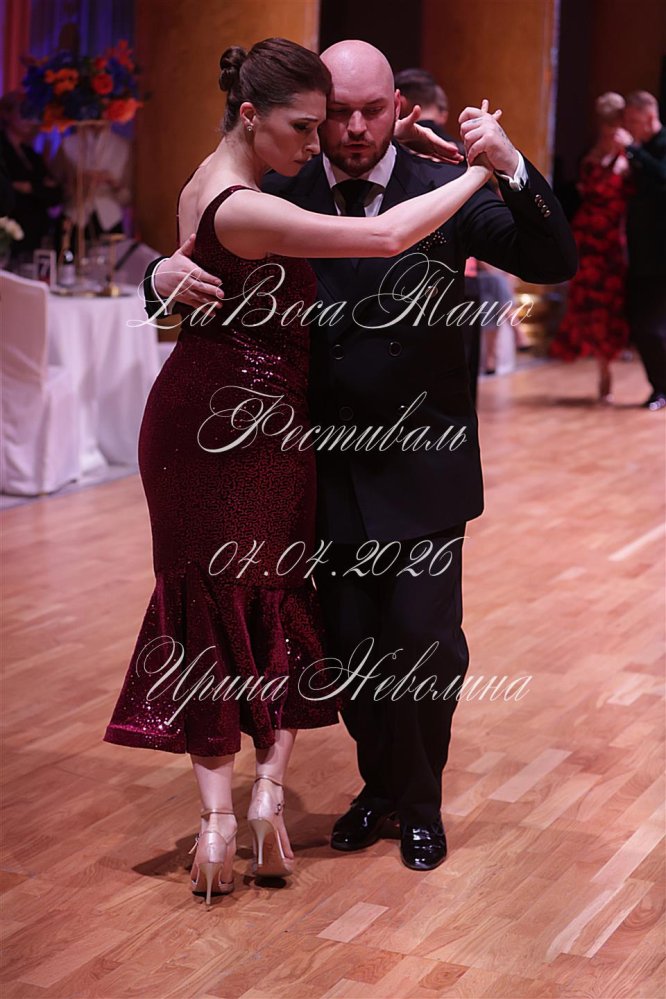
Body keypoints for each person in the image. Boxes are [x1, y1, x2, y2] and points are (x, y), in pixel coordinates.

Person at [146, 38, 576, 876]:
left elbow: (552, 259)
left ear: (398, 108)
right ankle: (378, 786)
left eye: (370, 111)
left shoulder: (434, 184)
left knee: (422, 643)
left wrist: (507, 163)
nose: (349, 129)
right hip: (311, 463)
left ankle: (419, 800)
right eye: (334, 113)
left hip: (419, 459)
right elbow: (206, 259)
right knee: (342, 649)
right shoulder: (280, 181)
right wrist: (158, 277)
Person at [549, 92, 634, 402]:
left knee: (609, 304)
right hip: (587, 237)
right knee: (586, 301)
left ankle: (605, 367)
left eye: (614, 121)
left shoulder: (628, 154)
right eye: (605, 122)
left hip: (611, 240)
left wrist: (628, 154)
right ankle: (600, 363)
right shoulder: (594, 153)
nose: (609, 128)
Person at [622, 90, 666, 411]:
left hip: (662, 254)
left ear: (649, 117)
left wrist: (633, 151)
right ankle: (659, 388)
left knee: (653, 327)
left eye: (634, 121)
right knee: (641, 326)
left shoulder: (658, 147)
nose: (630, 128)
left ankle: (661, 389)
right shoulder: (639, 151)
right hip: (640, 253)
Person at [0, 90, 62, 260]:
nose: (29, 118)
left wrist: (29, 187)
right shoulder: (3, 148)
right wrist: (39, 187)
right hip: (10, 235)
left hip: (36, 233)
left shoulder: (31, 154)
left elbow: (56, 194)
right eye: (23, 112)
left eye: (32, 113)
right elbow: (6, 195)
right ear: (7, 114)